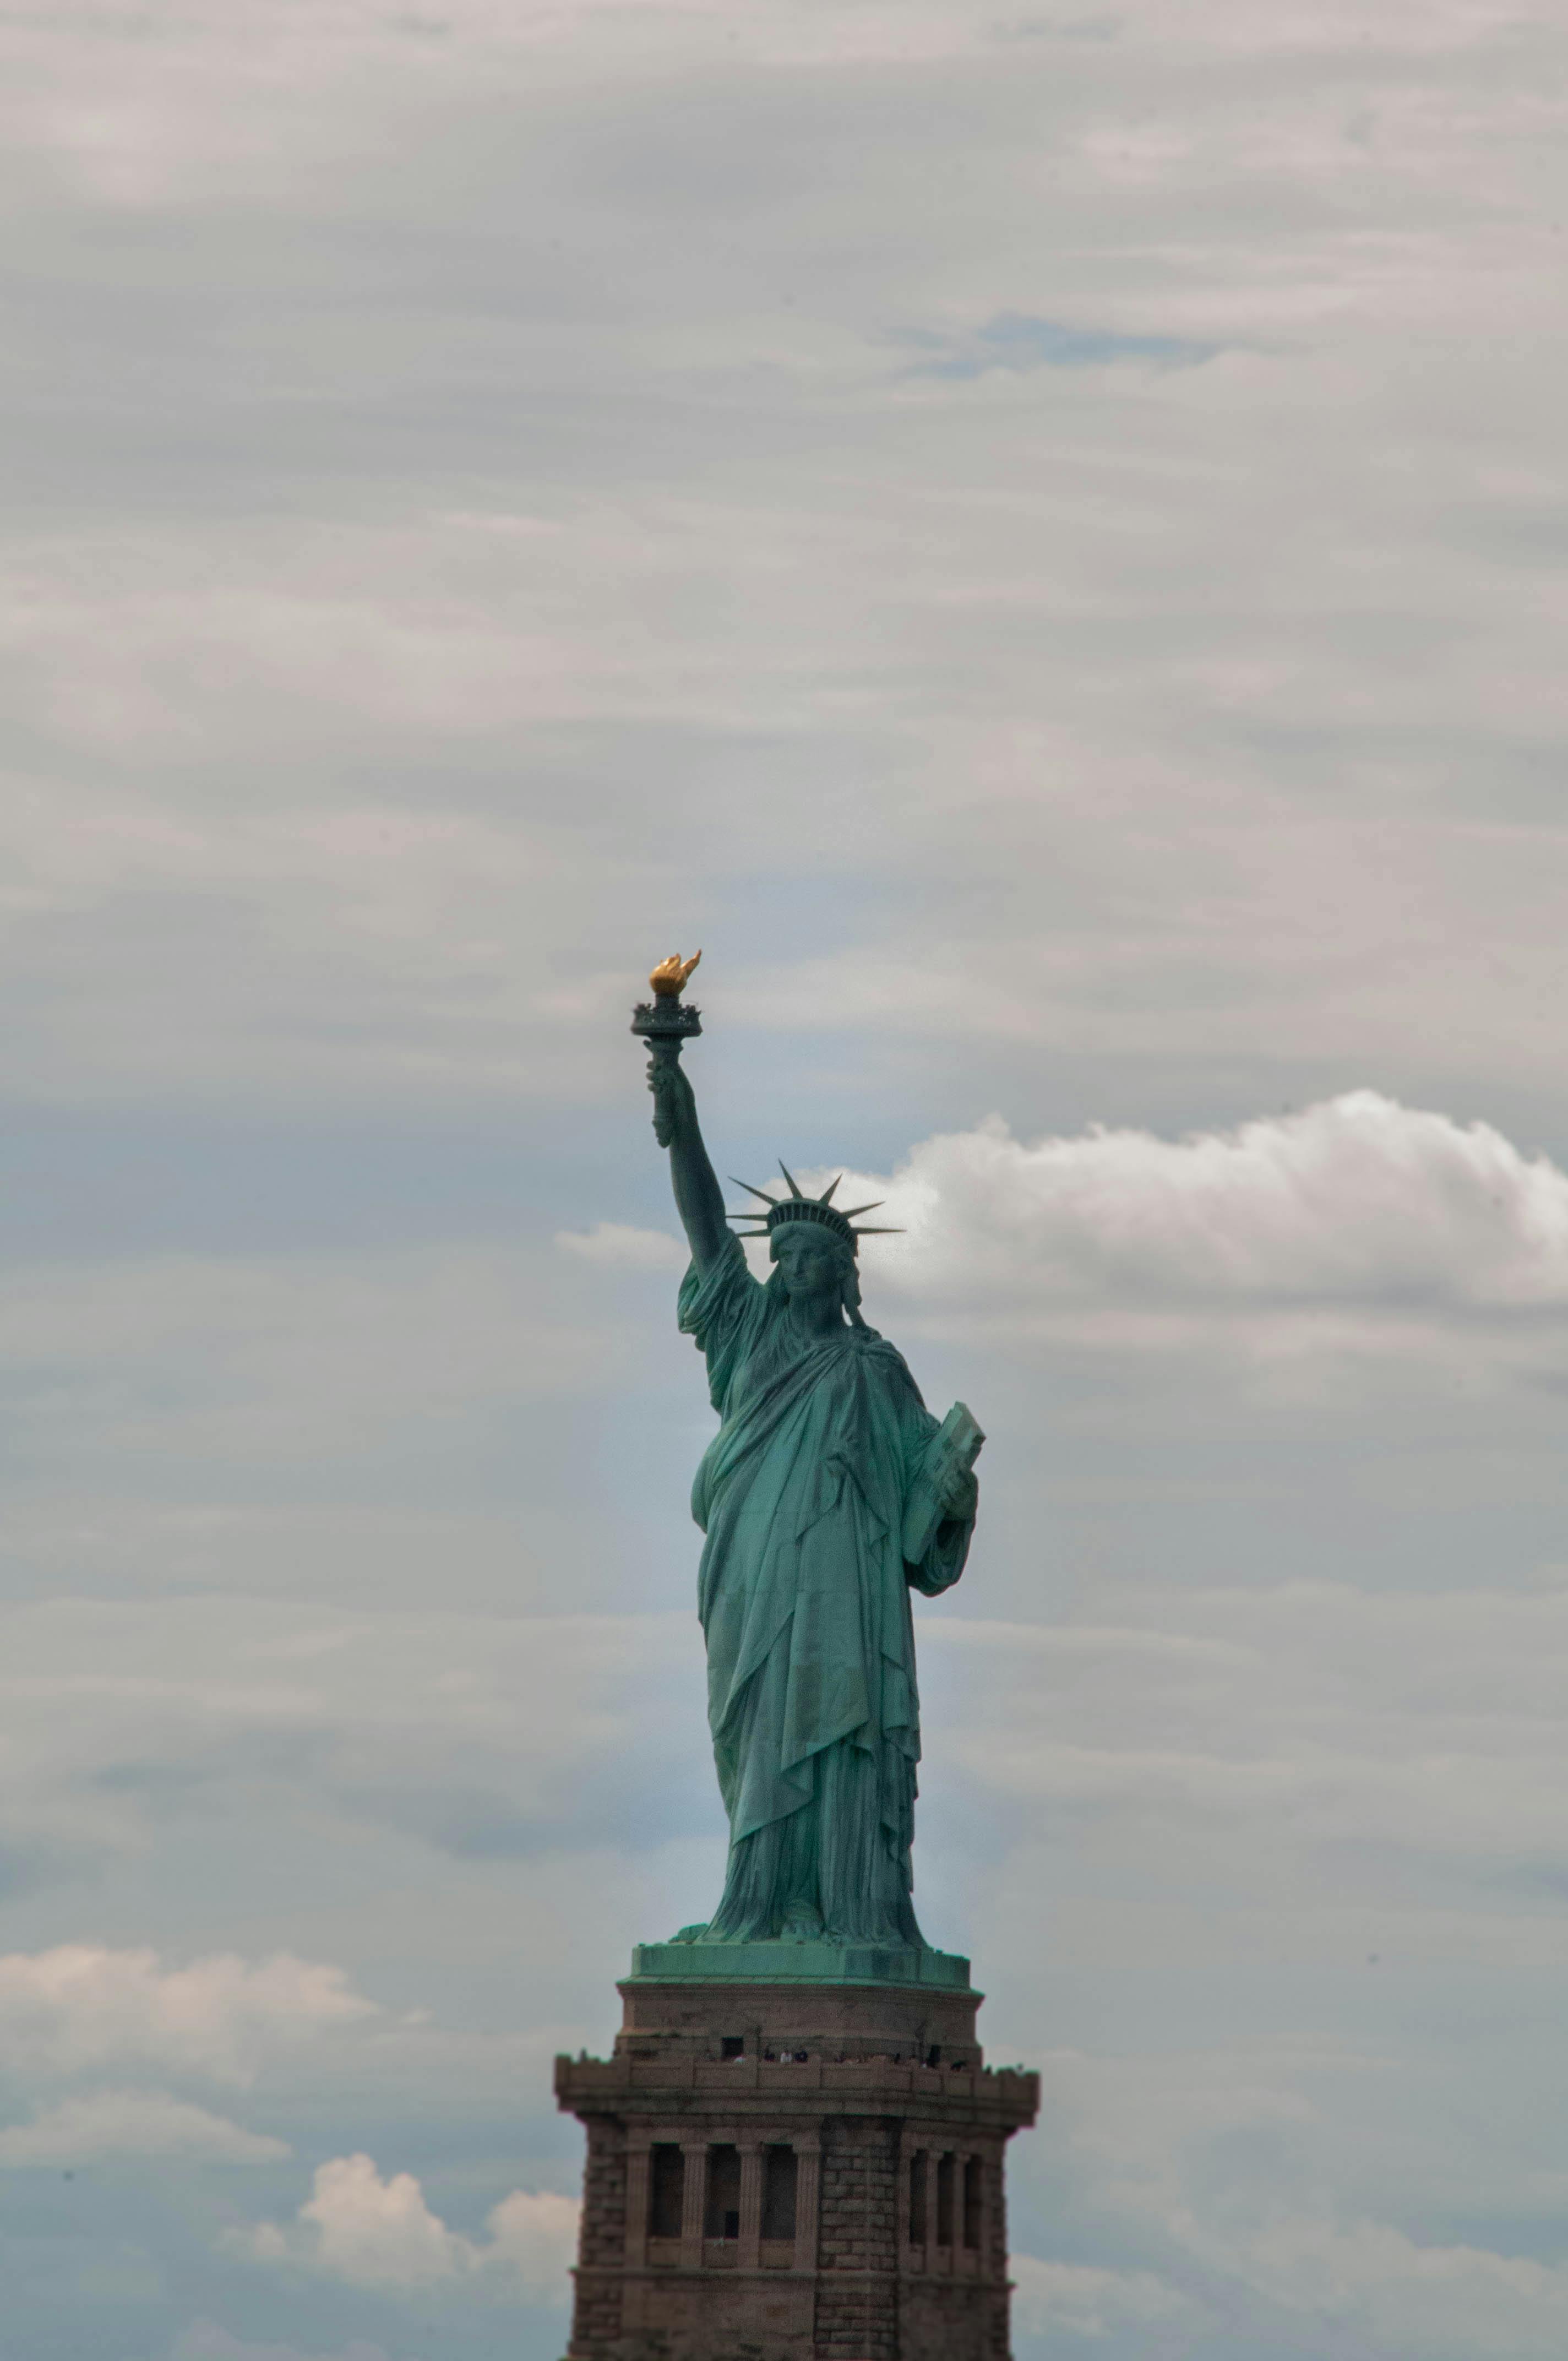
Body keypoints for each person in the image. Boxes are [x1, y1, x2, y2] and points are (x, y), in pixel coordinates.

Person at [648, 1049, 979, 1949]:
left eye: (811, 1258)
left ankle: (841, 1905)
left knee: (839, 1730)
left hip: (843, 1580)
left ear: (843, 1274)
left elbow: (922, 1506)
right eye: (782, 1255)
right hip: (751, 1562)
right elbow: (704, 1221)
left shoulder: (876, 1368)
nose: (792, 1269)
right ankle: (757, 1902)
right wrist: (673, 1086)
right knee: (754, 1721)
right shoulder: (744, 1328)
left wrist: (952, 1483)